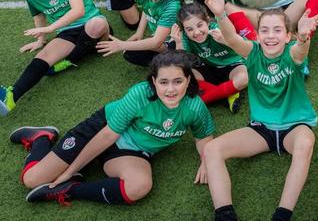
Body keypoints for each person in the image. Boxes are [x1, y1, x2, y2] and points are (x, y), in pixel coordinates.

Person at [11, 51, 214, 206]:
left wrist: (206, 160)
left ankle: (71, 189)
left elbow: (203, 137)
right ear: (154, 81)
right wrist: (70, 170)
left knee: (139, 186)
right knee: (32, 180)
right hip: (103, 128)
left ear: (188, 81)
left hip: (130, 151)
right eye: (164, 82)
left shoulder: (195, 107)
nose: (171, 89)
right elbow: (107, 135)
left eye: (178, 81)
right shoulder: (140, 94)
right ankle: (41, 138)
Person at [202, 0, 318, 221]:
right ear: (257, 35)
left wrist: (304, 37)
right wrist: (220, 14)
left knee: (306, 142)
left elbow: (300, 51)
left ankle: (282, 214)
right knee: (212, 149)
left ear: (287, 36)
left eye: (277, 30)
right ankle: (224, 214)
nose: (270, 35)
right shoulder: (253, 52)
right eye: (264, 30)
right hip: (261, 130)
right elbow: (232, 38)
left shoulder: (292, 54)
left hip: (294, 128)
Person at [0, 0, 109, 116]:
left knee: (97, 24)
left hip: (95, 29)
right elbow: (38, 17)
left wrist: (50, 28)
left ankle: (71, 60)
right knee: (43, 56)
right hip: (68, 32)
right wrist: (40, 40)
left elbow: (79, 11)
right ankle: (12, 96)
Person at [96, 0, 182, 66]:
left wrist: (121, 45)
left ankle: (171, 58)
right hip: (159, 38)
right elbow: (146, 11)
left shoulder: (171, 7)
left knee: (131, 49)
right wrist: (139, 32)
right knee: (130, 53)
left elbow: (156, 42)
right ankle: (167, 59)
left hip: (175, 41)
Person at [172, 3, 248, 113]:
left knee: (244, 78)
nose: (196, 32)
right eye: (189, 29)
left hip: (233, 66)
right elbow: (180, 64)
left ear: (207, 20)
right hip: (209, 68)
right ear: (184, 30)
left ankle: (203, 100)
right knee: (183, 75)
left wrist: (225, 40)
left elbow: (246, 48)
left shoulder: (218, 29)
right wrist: (178, 43)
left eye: (199, 25)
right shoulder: (184, 37)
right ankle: (227, 94)